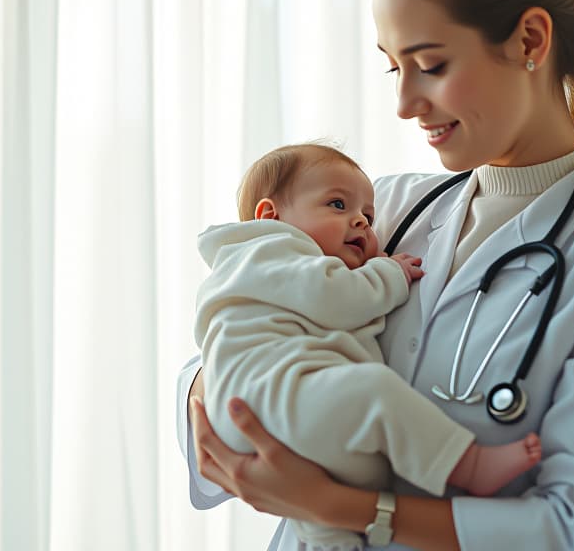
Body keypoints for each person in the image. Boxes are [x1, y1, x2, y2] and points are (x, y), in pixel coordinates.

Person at [177, 0, 574, 549]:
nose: (404, 102)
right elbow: (228, 339)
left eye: (429, 64)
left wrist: (350, 506)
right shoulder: (379, 211)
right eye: (393, 66)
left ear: (530, 40)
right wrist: (230, 385)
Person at [195, 142, 543, 550]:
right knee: (374, 392)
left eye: (369, 215)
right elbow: (333, 296)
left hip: (277, 413)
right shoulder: (268, 249)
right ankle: (469, 464)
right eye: (338, 205)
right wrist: (387, 274)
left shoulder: (264, 270)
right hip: (269, 400)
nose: (361, 220)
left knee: (326, 517)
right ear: (271, 216)